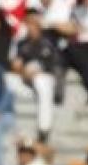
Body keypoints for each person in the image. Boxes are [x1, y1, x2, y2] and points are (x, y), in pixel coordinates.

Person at [9, 8, 60, 142]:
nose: (31, 27)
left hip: (46, 79)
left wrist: (36, 70)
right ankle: (7, 120)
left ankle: (44, 128)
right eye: (29, 23)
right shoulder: (22, 43)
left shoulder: (49, 40)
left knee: (40, 80)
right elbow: (16, 65)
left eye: (34, 23)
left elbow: (54, 64)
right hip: (26, 80)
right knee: (7, 79)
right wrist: (20, 69)